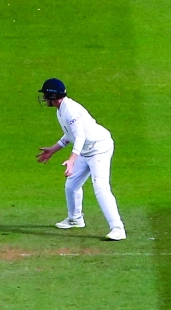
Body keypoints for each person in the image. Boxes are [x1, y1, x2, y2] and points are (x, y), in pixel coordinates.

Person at [36, 78, 126, 241]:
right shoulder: (61, 110)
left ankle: (118, 228)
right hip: (85, 150)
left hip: (99, 149)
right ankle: (75, 219)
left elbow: (80, 136)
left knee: (100, 187)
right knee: (71, 185)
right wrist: (53, 149)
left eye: (46, 95)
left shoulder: (70, 111)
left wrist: (71, 160)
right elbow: (70, 135)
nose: (44, 99)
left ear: (52, 96)